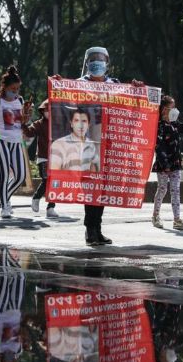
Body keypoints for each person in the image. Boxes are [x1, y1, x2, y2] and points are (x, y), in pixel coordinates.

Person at [54, 46, 145, 246]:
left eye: (101, 58)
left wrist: (136, 89)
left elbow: (129, 104)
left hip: (110, 141)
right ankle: (90, 229)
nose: (98, 62)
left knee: (103, 186)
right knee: (91, 185)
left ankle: (98, 228)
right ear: (86, 62)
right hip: (88, 140)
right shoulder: (79, 84)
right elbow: (65, 103)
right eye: (94, 58)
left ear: (107, 62)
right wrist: (60, 85)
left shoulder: (115, 84)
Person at [0, 65, 29, 219]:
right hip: (0, 139)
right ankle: (5, 206)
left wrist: (26, 116)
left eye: (18, 88)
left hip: (16, 140)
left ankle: (3, 195)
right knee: (4, 173)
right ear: (4, 87)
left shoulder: (20, 100)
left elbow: (21, 121)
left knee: (20, 176)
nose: (16, 92)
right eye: (13, 88)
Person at [150, 95, 183, 230]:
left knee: (176, 191)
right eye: (171, 107)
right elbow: (159, 146)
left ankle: (177, 219)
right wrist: (166, 164)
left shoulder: (175, 123)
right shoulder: (159, 126)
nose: (174, 110)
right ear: (164, 109)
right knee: (162, 190)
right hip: (164, 164)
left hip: (176, 162)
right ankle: (155, 216)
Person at [22, 99, 58, 218]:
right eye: (46, 110)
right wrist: (23, 124)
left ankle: (51, 207)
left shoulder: (59, 124)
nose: (48, 112)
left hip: (58, 157)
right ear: (42, 111)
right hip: (43, 157)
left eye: (51, 110)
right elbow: (29, 133)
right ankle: (36, 198)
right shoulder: (38, 124)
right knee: (46, 180)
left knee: (55, 183)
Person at [49, 107, 101, 172]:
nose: (80, 125)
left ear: (88, 125)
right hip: (67, 181)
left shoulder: (91, 144)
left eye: (84, 121)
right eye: (76, 121)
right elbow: (54, 171)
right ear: (71, 124)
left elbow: (93, 166)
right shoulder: (59, 144)